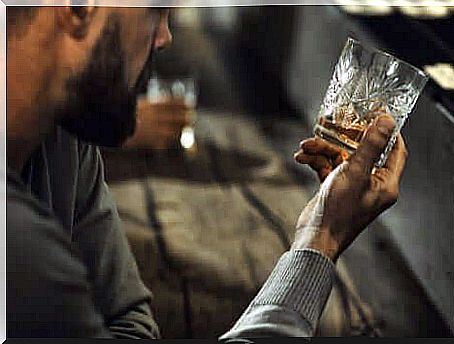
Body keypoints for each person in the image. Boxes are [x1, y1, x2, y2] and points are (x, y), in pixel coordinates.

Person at [6, 6, 407, 339]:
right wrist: (322, 241)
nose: (164, 36)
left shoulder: (65, 137)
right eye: (155, 10)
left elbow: (130, 323)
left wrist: (319, 236)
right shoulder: (19, 244)